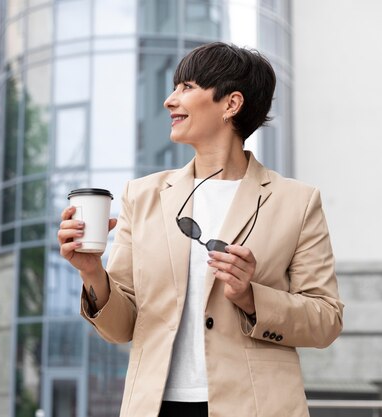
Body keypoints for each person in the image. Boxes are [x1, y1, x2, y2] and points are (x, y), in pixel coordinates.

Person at [58, 42, 343, 417]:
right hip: (156, 405)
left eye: (186, 87)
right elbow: (122, 328)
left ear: (231, 104)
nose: (169, 100)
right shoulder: (142, 196)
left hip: (255, 406)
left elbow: (326, 320)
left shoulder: (297, 202)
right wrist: (91, 271)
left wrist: (251, 297)